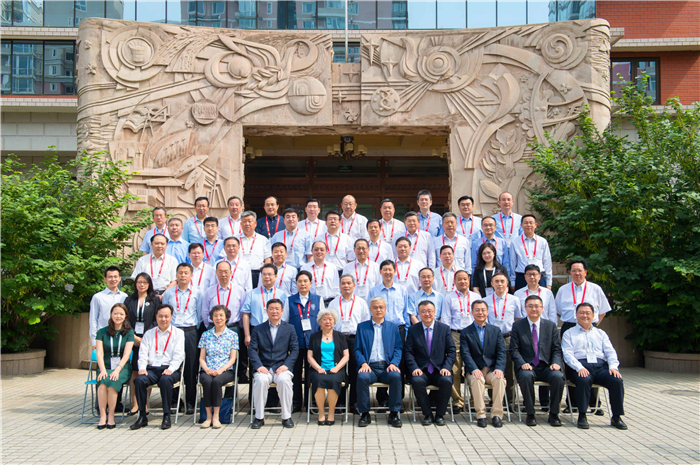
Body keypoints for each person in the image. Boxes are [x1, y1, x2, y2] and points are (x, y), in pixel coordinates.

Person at [556, 259, 612, 415]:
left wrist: (592, 326)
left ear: (586, 272)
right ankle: (572, 403)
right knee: (571, 364)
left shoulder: (595, 289)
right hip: (570, 328)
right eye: (573, 270)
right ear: (570, 272)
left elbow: (603, 311)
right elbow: (558, 311)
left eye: (580, 270)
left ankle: (594, 404)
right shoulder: (563, 290)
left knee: (593, 363)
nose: (577, 273)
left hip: (590, 328)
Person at [562, 303, 627, 430]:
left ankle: (616, 417)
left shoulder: (601, 333)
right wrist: (579, 367)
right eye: (581, 313)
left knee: (617, 380)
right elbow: (567, 355)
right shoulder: (569, 333)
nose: (584, 316)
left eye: (588, 313)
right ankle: (582, 415)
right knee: (583, 379)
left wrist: (613, 367)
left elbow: (610, 352)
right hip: (579, 366)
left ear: (593, 316)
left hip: (600, 366)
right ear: (576, 315)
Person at [509, 295, 565, 427]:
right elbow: (514, 350)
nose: (533, 309)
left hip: (547, 366)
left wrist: (556, 363)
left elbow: (557, 349)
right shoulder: (518, 326)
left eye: (536, 306)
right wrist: (522, 363)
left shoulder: (550, 326)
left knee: (558, 377)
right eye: (530, 306)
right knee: (526, 376)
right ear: (525, 308)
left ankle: (554, 413)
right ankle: (530, 413)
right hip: (527, 365)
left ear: (542, 308)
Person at [131, 304, 185, 430]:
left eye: (166, 316)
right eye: (160, 316)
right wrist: (142, 368)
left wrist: (171, 369)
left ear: (171, 317)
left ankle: (166, 415)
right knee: (139, 380)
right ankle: (142, 416)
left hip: (170, 368)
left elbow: (179, 355)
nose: (163, 319)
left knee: (165, 380)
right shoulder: (149, 333)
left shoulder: (178, 333)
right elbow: (142, 354)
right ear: (156, 317)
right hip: (151, 369)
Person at [249, 298, 299, 429]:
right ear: (266, 311)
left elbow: (295, 349)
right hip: (263, 367)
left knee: (284, 381)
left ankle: (286, 417)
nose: (274, 311)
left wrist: (286, 365)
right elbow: (252, 350)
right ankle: (259, 417)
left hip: (281, 367)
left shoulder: (289, 328)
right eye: (271, 309)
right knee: (260, 381)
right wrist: (259, 366)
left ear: (282, 311)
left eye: (277, 309)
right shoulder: (258, 329)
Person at [354, 296, 404, 428]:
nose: (378, 310)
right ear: (370, 309)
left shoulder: (393, 327)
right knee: (362, 377)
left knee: (396, 376)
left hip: (387, 366)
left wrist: (393, 363)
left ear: (385, 309)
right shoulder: (362, 327)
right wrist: (363, 363)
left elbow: (398, 348)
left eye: (381, 307)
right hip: (370, 367)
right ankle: (364, 413)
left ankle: (394, 413)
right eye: (375, 307)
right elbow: (357, 349)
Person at [161, 263, 204, 415]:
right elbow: (165, 313)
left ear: (191, 275)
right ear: (176, 275)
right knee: (172, 365)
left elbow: (200, 314)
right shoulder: (168, 293)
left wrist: (193, 328)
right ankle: (175, 401)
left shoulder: (197, 293)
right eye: (180, 272)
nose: (183, 275)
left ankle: (191, 402)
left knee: (191, 368)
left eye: (186, 273)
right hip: (173, 332)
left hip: (191, 331)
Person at [404, 301, 455, 426]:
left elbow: (451, 351)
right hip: (421, 369)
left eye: (429, 311)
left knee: (446, 381)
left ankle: (440, 415)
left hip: (440, 369)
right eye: (423, 311)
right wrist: (414, 368)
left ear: (434, 312)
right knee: (416, 381)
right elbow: (408, 352)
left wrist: (447, 367)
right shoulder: (413, 330)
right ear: (419, 313)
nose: (427, 314)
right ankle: (427, 414)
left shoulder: (444, 329)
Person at [460, 300, 507, 428]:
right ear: (472, 312)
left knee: (500, 379)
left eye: (483, 310)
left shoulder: (496, 331)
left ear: (487, 312)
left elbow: (502, 352)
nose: (480, 313)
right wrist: (474, 369)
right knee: (477, 379)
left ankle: (496, 415)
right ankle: (481, 415)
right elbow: (465, 354)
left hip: (491, 370)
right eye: (477, 310)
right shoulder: (465, 332)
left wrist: (499, 368)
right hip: (475, 370)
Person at [440, 270, 482, 413]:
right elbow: (445, 319)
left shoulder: (476, 296)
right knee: (455, 369)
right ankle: (457, 401)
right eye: (459, 279)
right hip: (455, 334)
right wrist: (447, 338)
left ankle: (474, 401)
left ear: (469, 280)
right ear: (455, 281)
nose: (462, 281)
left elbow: (481, 316)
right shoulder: (449, 298)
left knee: (473, 367)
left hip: (473, 334)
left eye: (465, 279)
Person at [329, 274, 371, 411]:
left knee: (355, 371)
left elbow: (365, 323)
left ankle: (354, 402)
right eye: (343, 283)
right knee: (338, 370)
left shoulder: (361, 303)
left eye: (349, 283)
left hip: (355, 339)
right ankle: (340, 402)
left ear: (354, 285)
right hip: (337, 339)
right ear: (339, 286)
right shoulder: (333, 303)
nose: (346, 286)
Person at [205, 260, 248, 381]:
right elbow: (205, 312)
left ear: (231, 272)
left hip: (233, 327)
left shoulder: (239, 290)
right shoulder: (209, 291)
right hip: (214, 329)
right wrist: (212, 326)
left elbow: (242, 310)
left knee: (234, 359)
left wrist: (239, 327)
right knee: (213, 356)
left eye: (226, 271)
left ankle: (232, 390)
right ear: (216, 273)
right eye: (220, 271)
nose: (223, 274)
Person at [198, 305, 239, 429]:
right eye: (215, 315)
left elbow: (233, 358)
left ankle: (216, 416)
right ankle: (208, 417)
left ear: (226, 318)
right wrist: (206, 369)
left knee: (216, 382)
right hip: (208, 369)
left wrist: (221, 370)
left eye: (221, 315)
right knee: (207, 381)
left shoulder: (233, 335)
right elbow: (201, 358)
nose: (218, 318)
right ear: (212, 318)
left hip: (225, 370)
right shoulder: (206, 335)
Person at [287, 270, 323, 411]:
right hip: (295, 344)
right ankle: (296, 403)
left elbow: (322, 322)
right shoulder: (289, 300)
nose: (302, 284)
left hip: (313, 344)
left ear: (311, 283)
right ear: (296, 284)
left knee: (311, 374)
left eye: (305, 281)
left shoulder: (318, 300)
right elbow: (285, 322)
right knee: (295, 374)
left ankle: (311, 403)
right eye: (300, 281)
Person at [94, 303, 134, 429]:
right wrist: (102, 370)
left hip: (122, 368)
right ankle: (102, 416)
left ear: (125, 316)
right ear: (111, 314)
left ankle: (111, 415)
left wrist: (117, 370)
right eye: (115, 313)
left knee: (112, 380)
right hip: (105, 366)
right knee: (102, 381)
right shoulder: (101, 332)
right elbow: (99, 353)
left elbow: (127, 354)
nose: (118, 316)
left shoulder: (129, 332)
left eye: (121, 314)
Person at [308, 308, 350, 425]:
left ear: (334, 321)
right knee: (318, 380)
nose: (327, 322)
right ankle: (321, 413)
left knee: (333, 380)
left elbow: (346, 356)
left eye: (330, 319)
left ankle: (331, 413)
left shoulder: (340, 336)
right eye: (324, 319)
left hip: (335, 369)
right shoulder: (314, 337)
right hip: (319, 369)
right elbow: (309, 356)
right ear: (320, 321)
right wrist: (318, 368)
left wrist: (337, 368)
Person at [124, 273, 159, 416]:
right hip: (133, 340)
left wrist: (146, 337)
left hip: (148, 340)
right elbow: (125, 320)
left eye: (145, 282)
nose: (142, 284)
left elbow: (157, 320)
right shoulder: (129, 300)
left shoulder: (155, 300)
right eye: (139, 282)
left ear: (149, 284)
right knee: (135, 371)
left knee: (145, 370)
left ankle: (144, 404)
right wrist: (133, 337)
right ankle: (135, 404)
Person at [487, 271, 522, 407]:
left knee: (509, 369)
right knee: (493, 368)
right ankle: (493, 400)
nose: (500, 284)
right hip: (492, 338)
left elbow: (518, 318)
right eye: (496, 281)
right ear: (492, 284)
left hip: (508, 337)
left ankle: (510, 401)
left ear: (507, 283)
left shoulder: (514, 300)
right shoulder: (486, 300)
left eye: (502, 281)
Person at [509, 214, 552, 291]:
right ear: (521, 225)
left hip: (539, 277)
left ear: (535, 225)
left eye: (531, 223)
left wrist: (549, 282)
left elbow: (547, 262)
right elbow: (512, 262)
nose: (528, 225)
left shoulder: (542, 241)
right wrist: (512, 282)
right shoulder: (515, 242)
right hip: (522, 277)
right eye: (526, 223)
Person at [89, 266, 127, 349]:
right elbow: (93, 319)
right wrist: (94, 340)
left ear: (120, 278)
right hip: (103, 337)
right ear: (105, 279)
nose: (113, 279)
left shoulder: (124, 297)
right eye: (110, 277)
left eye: (115, 276)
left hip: (121, 336)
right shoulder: (98, 297)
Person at [299, 241, 340, 305]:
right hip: (311, 302)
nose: (319, 252)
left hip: (329, 302)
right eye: (316, 249)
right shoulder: (305, 268)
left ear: (326, 251)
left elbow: (336, 287)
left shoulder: (332, 267)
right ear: (312, 251)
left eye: (322, 250)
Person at [239, 211, 272, 288]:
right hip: (239, 273)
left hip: (257, 274)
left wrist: (265, 273)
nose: (247, 224)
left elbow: (268, 259)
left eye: (249, 221)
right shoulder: (235, 239)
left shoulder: (263, 240)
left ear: (255, 223)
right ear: (241, 224)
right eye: (244, 221)